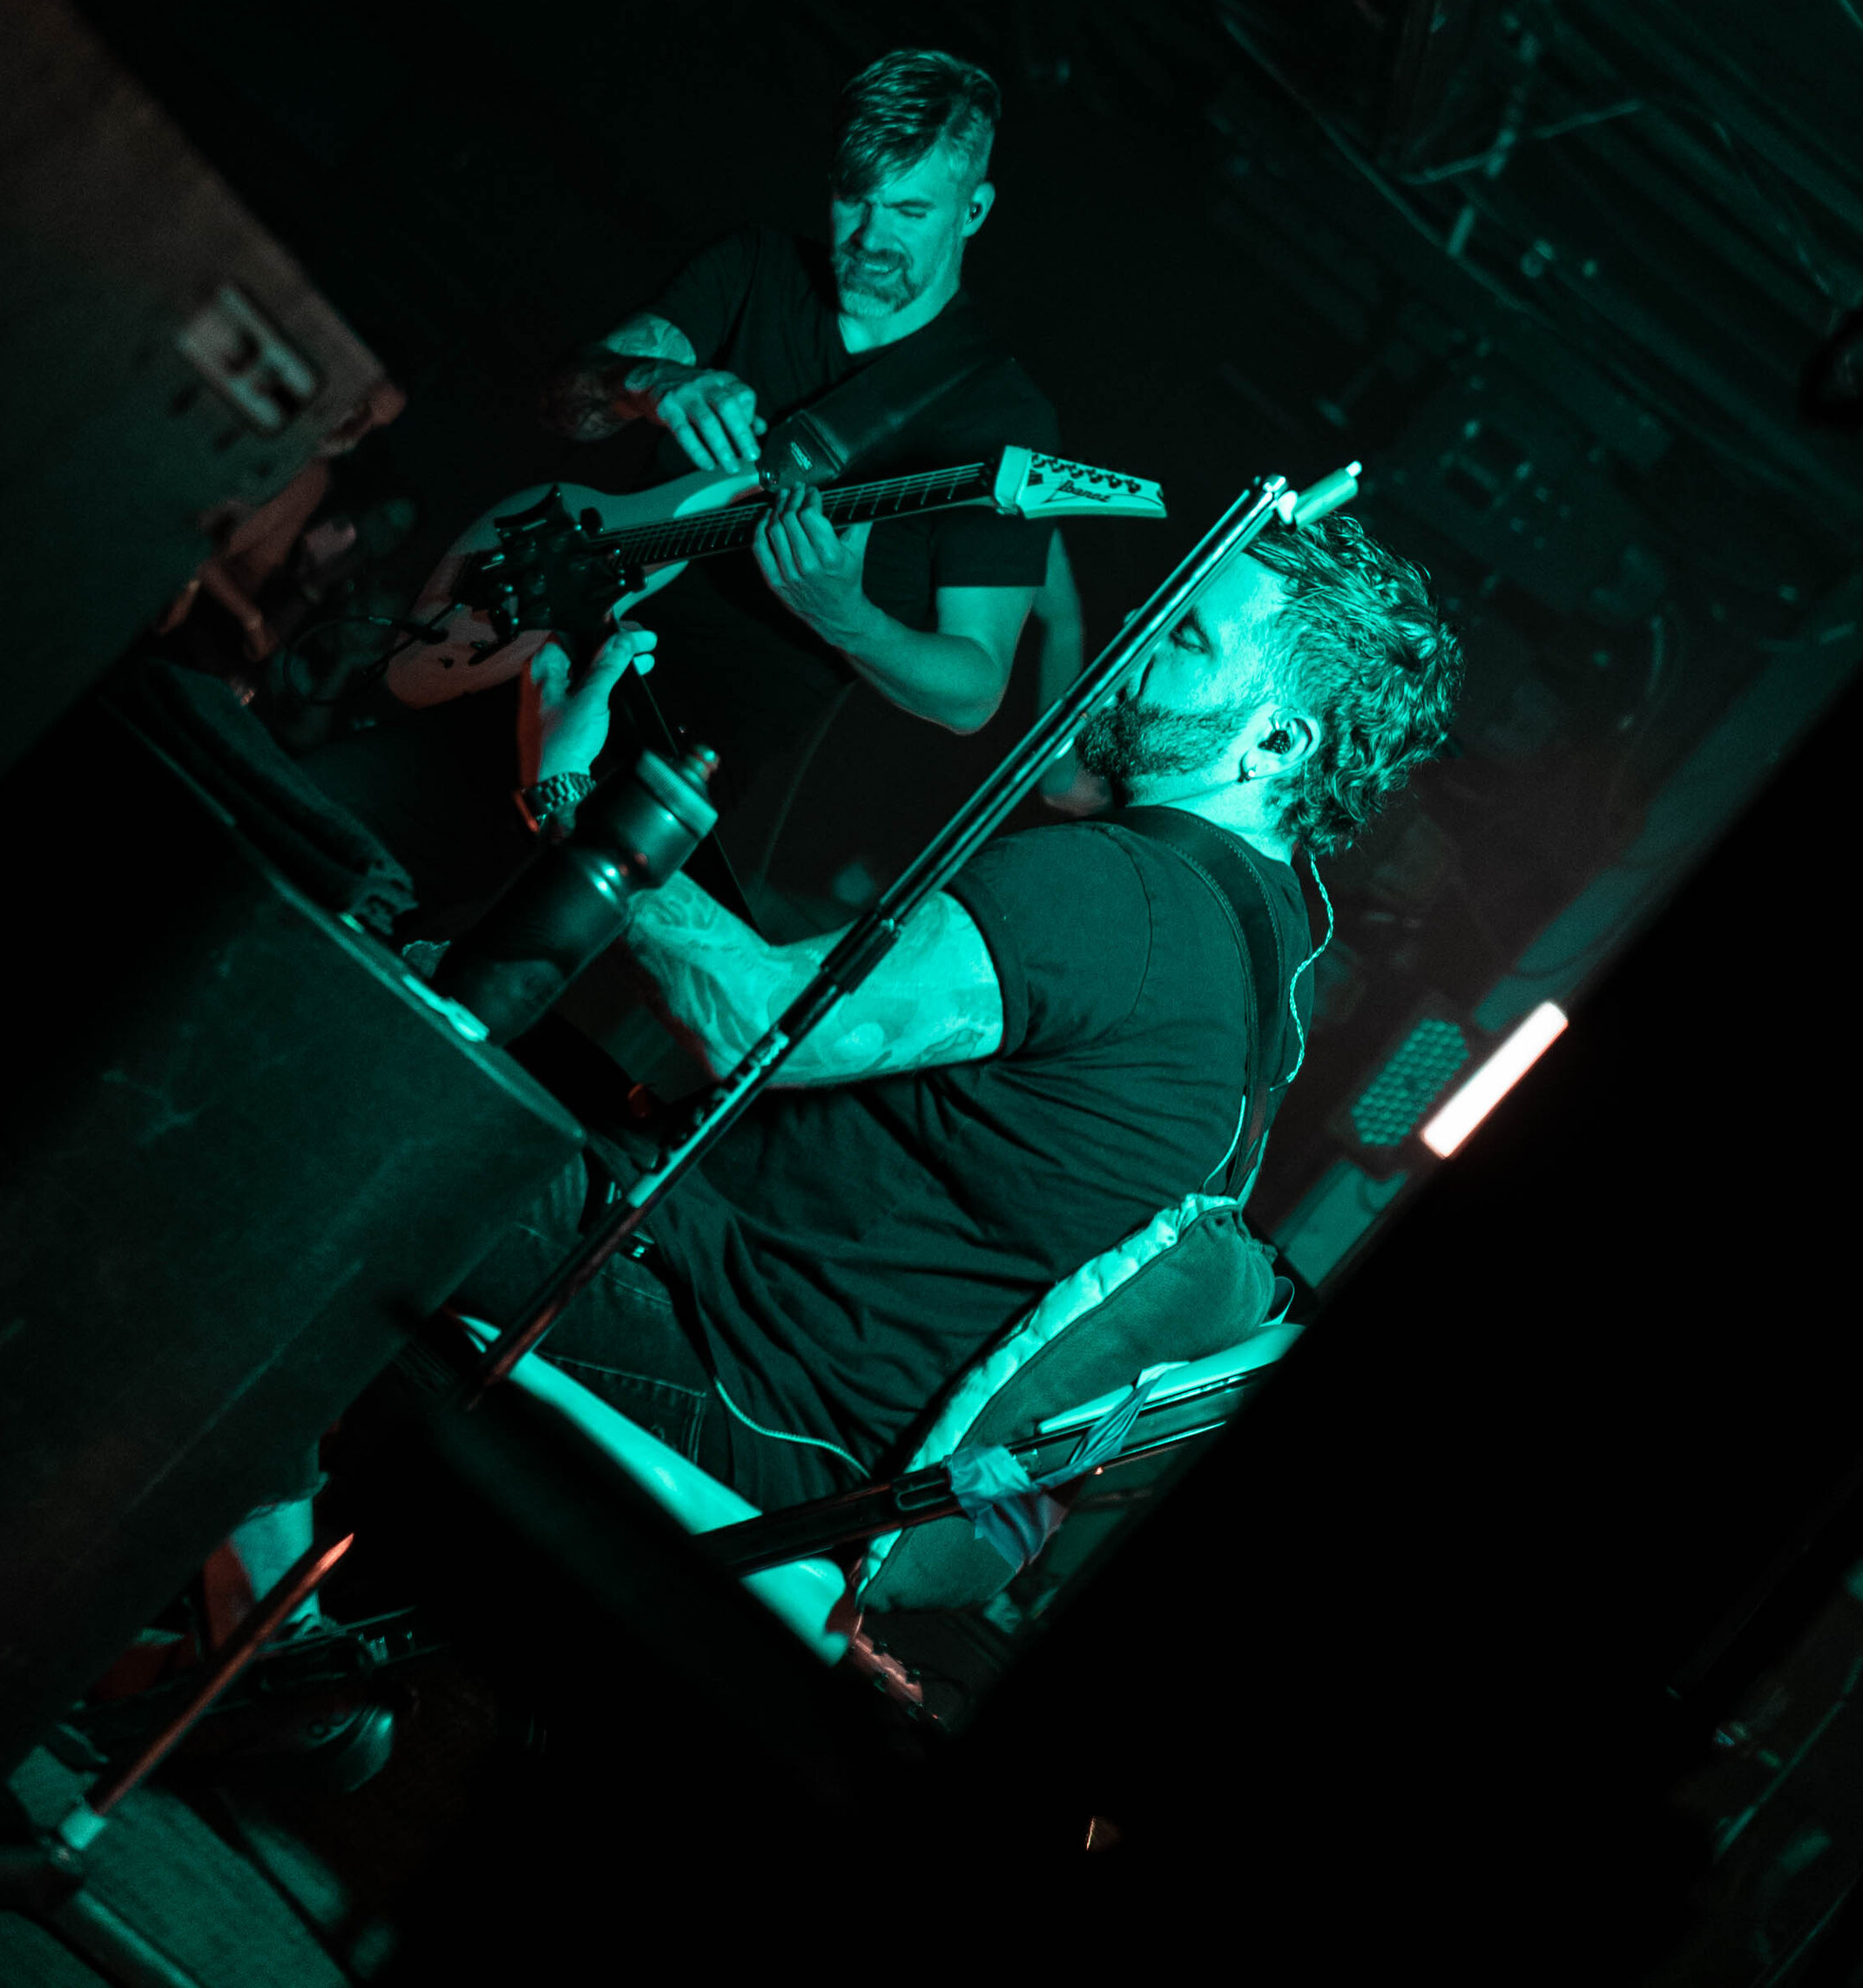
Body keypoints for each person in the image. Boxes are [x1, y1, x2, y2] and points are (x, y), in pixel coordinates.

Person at [449, 504, 1464, 1510]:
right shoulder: (1266, 953)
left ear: (1276, 741)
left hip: (724, 1361)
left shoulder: (1120, 896)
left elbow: (753, 1026)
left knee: (383, 1096)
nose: (1140, 629)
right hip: (804, 1411)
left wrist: (569, 790)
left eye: (1188, 636)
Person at [534, 46, 1062, 896]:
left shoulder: (998, 418)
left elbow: (975, 690)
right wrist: (651, 383)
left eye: (911, 210)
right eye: (854, 198)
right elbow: (565, 398)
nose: (871, 239)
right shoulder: (754, 269)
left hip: (676, 769)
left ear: (974, 210)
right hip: (540, 642)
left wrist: (849, 619)